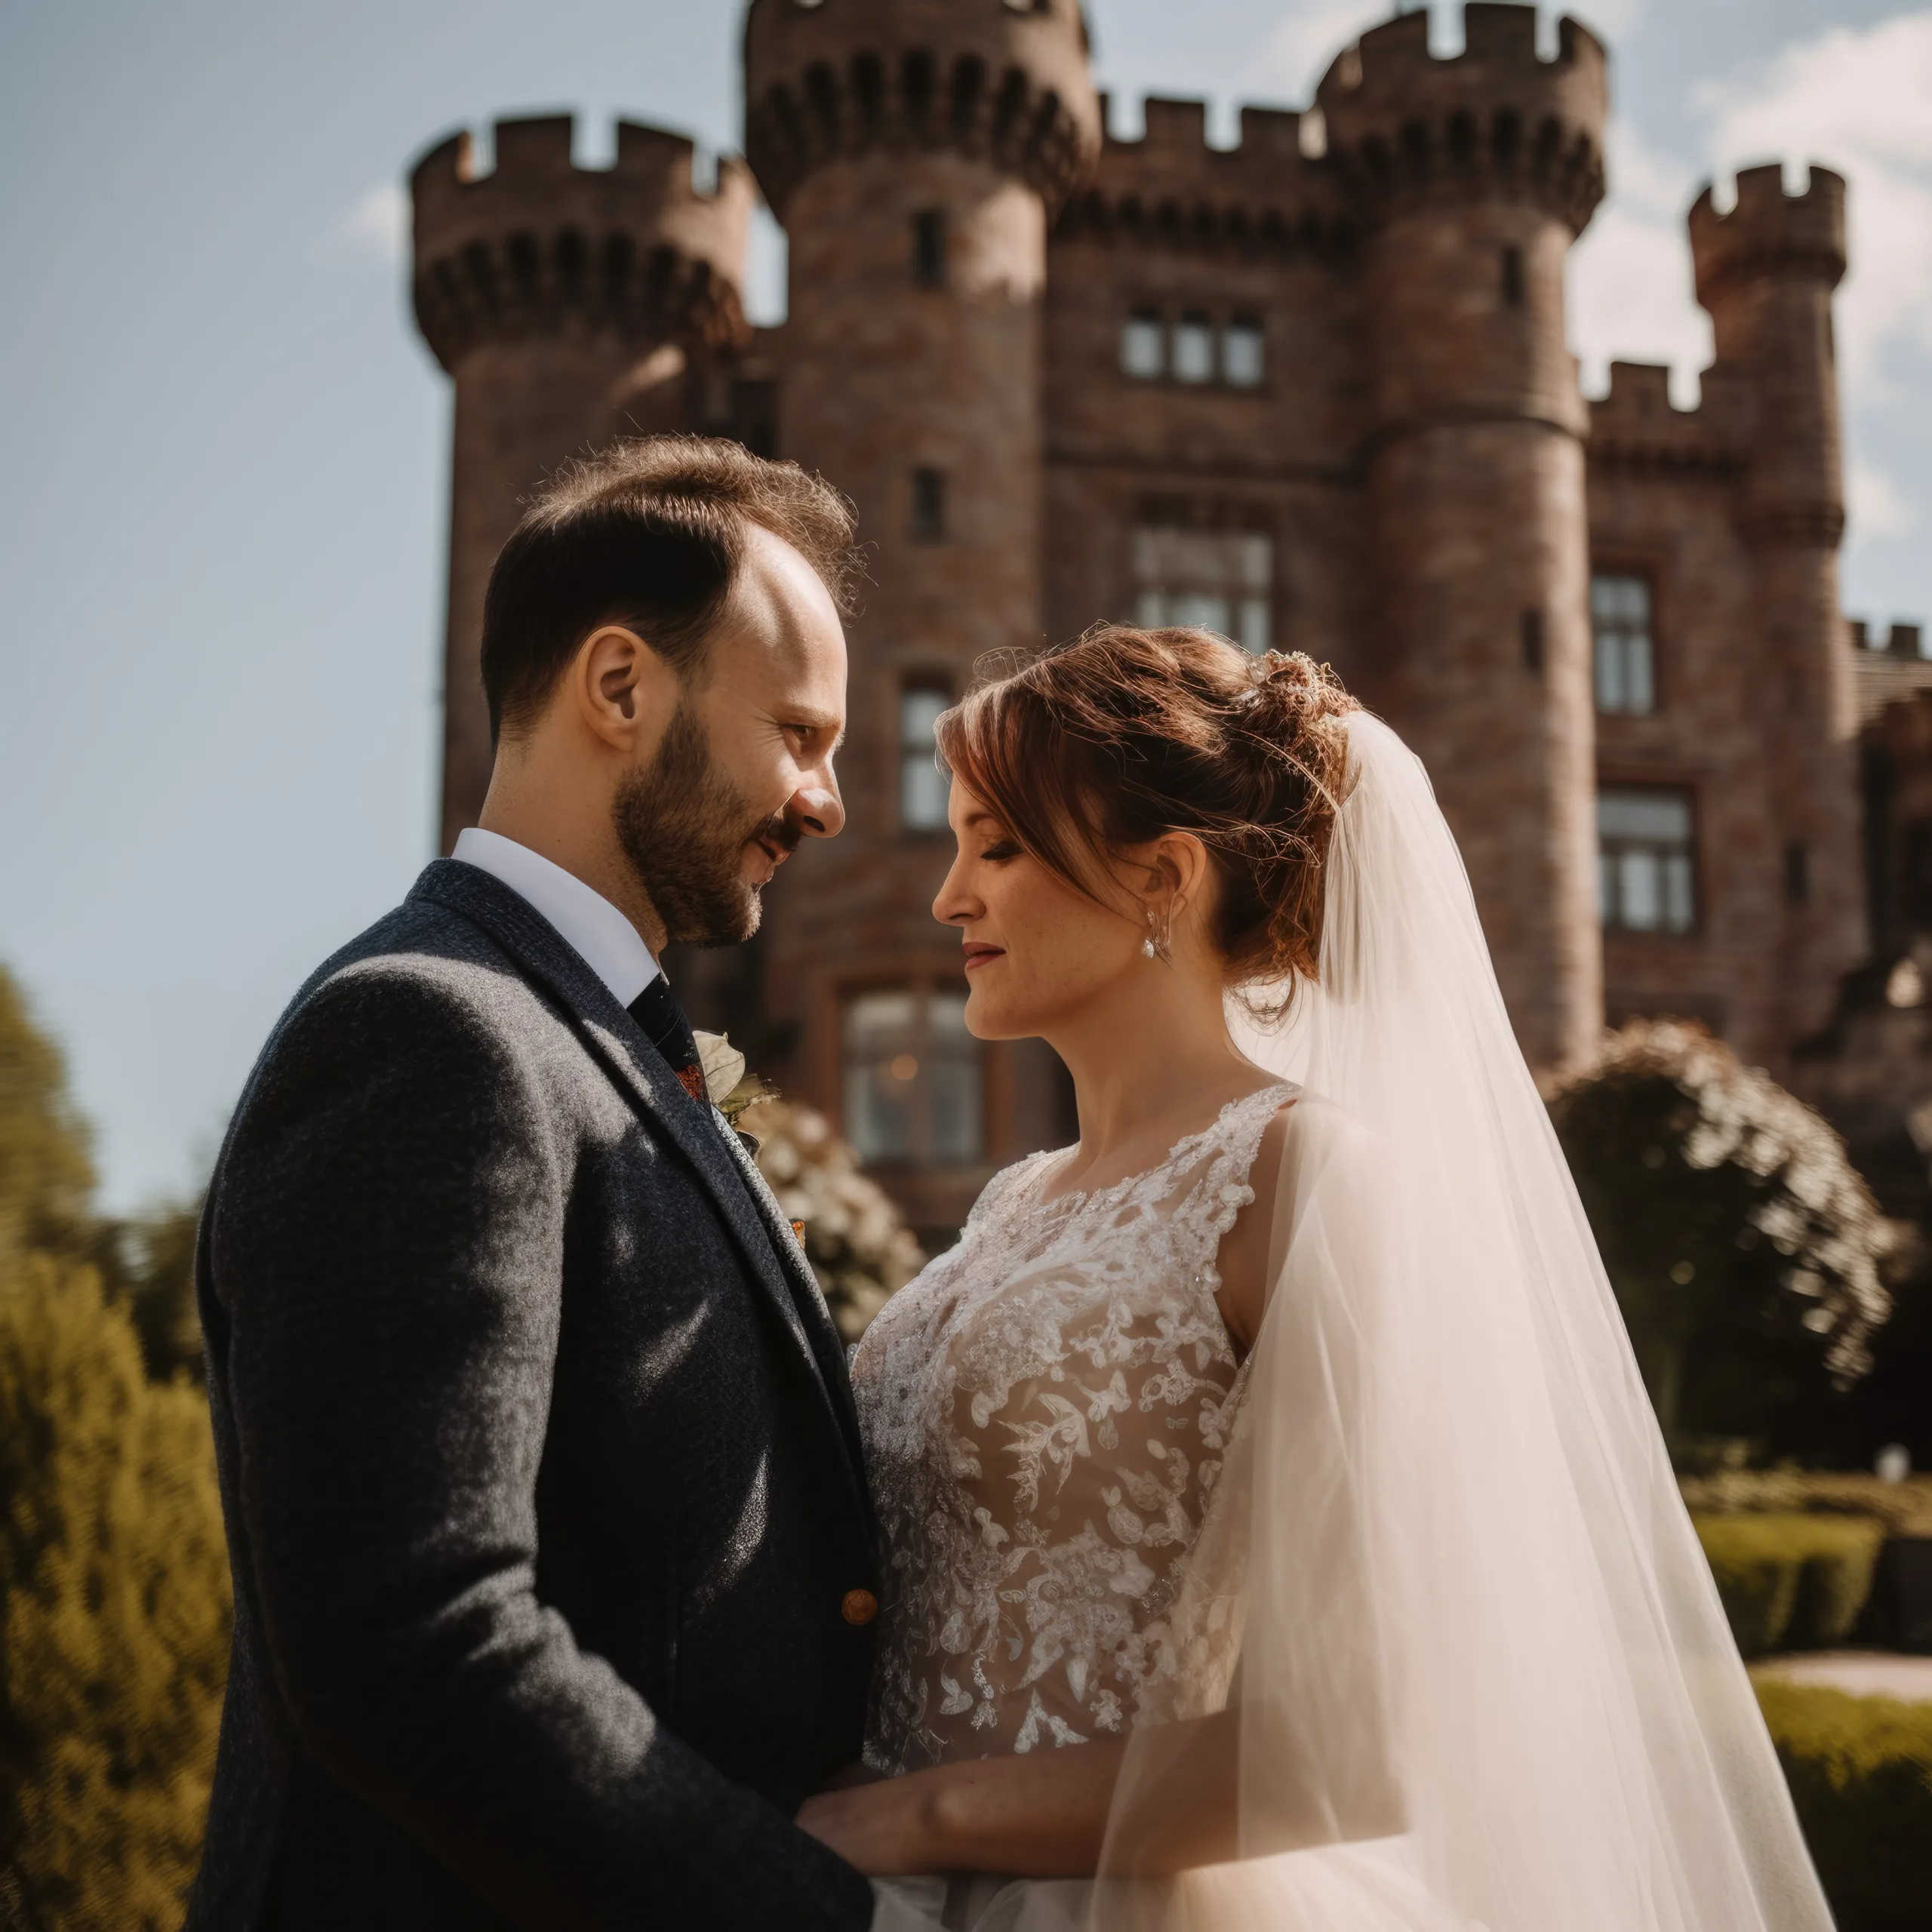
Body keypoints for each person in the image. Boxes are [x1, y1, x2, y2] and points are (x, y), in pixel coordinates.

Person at [800, 626, 1835, 1932]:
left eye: (996, 847)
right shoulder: (1015, 1199)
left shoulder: (1310, 1179)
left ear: (1165, 879)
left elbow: (1363, 1740)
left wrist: (921, 1814)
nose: (950, 896)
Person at [186, 437, 882, 1930]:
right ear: (619, 687)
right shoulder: (432, 1031)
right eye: (801, 734)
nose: (825, 801)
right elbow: (417, 1646)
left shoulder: (604, 1040)